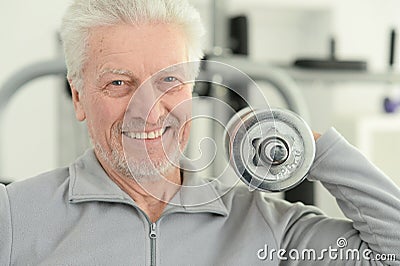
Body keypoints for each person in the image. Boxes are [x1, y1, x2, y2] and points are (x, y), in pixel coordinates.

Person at [0, 0, 399, 265]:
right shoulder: (15, 216)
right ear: (79, 98)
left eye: (169, 80)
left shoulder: (266, 227)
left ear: (192, 88)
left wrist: (310, 146)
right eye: (119, 83)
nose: (148, 110)